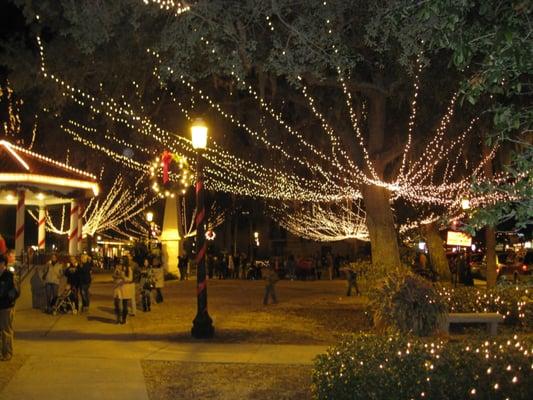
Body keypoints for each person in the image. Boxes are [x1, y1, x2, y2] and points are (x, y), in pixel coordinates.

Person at [0, 254, 19, 361]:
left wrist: (9, 299)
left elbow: (13, 291)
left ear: (3, 264)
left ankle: (7, 353)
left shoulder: (9, 276)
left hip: (6, 307)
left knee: (6, 331)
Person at [112, 258, 134, 324]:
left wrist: (123, 277)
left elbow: (130, 279)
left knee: (125, 306)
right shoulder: (117, 269)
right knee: (118, 305)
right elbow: (113, 276)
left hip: (125, 289)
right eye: (119, 264)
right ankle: (118, 319)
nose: (120, 265)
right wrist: (116, 275)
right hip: (118, 289)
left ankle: (124, 319)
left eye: (122, 263)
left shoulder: (128, 269)